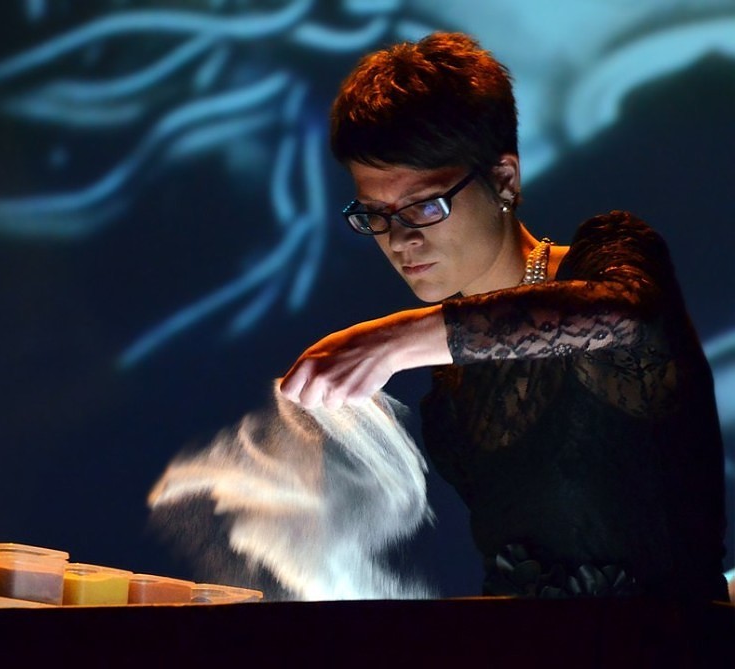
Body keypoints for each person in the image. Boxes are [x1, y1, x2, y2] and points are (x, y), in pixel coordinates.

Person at [279, 32, 728, 600]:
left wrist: (394, 339)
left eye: (424, 205)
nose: (399, 239)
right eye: (376, 214)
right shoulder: (454, 381)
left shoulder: (610, 262)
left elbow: (624, 315)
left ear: (505, 181)